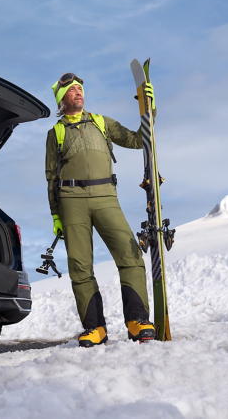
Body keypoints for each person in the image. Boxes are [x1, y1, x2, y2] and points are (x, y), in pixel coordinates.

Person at [45, 73, 157, 347]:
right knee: (80, 267)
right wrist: (56, 215)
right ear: (62, 100)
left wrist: (149, 110)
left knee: (129, 253)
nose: (78, 92)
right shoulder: (55, 133)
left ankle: (137, 321)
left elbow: (135, 140)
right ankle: (95, 328)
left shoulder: (102, 122)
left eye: (80, 88)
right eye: (71, 90)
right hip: (71, 200)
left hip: (106, 195)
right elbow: (51, 177)